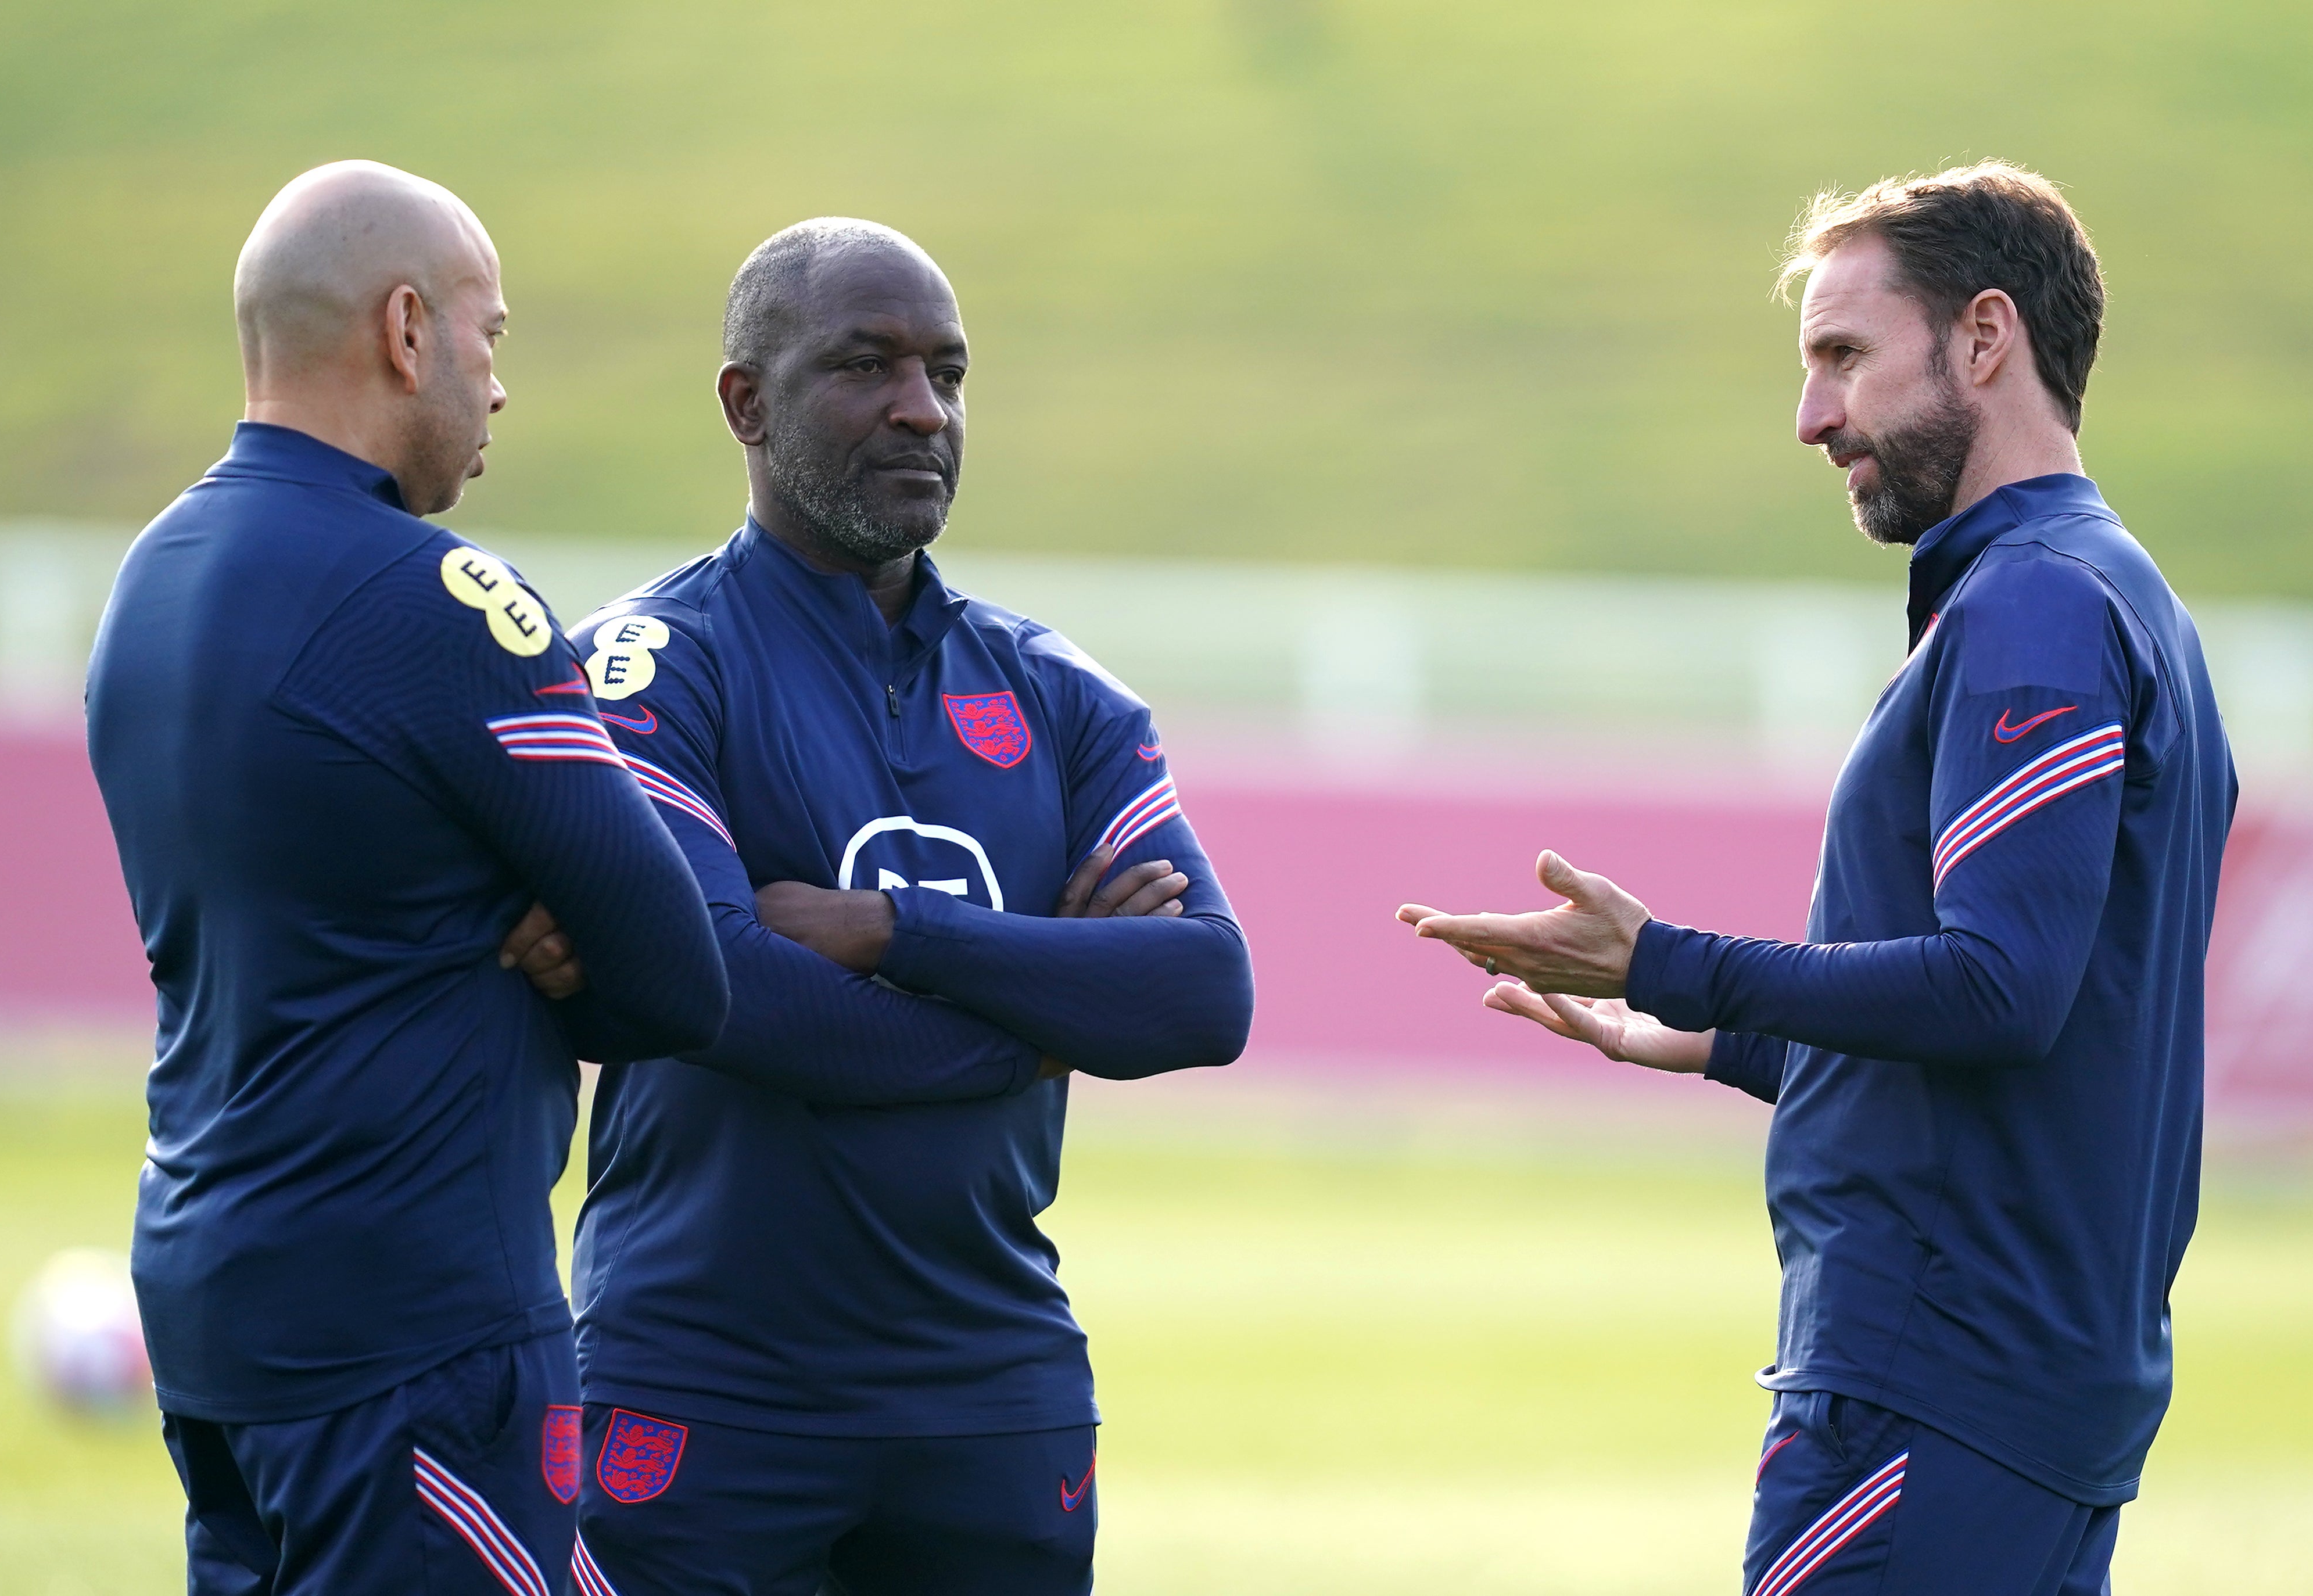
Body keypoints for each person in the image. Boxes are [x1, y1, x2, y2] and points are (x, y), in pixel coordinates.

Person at [1400, 163, 2232, 1594]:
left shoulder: (2035, 599)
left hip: (1937, 1381)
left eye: (1843, 356)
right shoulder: (2115, 597)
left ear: (1985, 338)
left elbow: (2000, 993)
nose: (1812, 418)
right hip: (2021, 1386)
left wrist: (1664, 958)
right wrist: (1716, 1041)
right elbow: (2030, 1034)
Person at [558, 218, 1254, 1595]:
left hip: (994, 1394)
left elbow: (1205, 994)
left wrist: (894, 937)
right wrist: (1050, 1008)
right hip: (705, 1386)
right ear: (745, 403)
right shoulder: (650, 667)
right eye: (866, 366)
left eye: (947, 371)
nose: (920, 409)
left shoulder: (1058, 691)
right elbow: (728, 991)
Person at [86, 161, 730, 1595]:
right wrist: (555, 945)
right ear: (406, 330)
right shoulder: (433, 603)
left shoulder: (151, 578)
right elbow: (681, 976)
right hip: (410, 1333)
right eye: (491, 336)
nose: (498, 387)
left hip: (213, 1313)